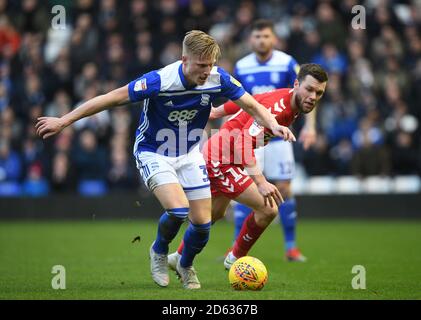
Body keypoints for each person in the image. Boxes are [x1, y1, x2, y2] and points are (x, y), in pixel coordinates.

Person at [35, 30, 295, 289]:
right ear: (184, 60)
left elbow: (252, 105)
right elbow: (110, 99)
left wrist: (275, 125)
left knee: (203, 224)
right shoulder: (160, 80)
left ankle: (185, 264)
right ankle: (159, 251)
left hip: (190, 153)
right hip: (153, 151)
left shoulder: (218, 78)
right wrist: (64, 120)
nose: (206, 71)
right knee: (179, 209)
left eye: (211, 65)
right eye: (201, 65)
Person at [167, 63, 328, 270]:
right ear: (296, 84)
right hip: (222, 159)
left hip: (224, 154)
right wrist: (260, 182)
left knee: (211, 215)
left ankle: (177, 257)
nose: (313, 96)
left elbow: (252, 101)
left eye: (319, 93)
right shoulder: (280, 109)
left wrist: (217, 112)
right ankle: (235, 261)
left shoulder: (288, 97)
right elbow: (243, 141)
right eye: (309, 89)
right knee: (269, 209)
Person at [231, 19, 317, 262]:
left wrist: (310, 126)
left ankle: (291, 247)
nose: (261, 41)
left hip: (278, 137)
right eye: (257, 37)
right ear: (251, 40)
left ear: (274, 39)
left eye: (266, 36)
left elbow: (307, 92)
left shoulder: (287, 62)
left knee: (285, 188)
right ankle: (236, 248)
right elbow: (235, 98)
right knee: (243, 188)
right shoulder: (242, 66)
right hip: (251, 137)